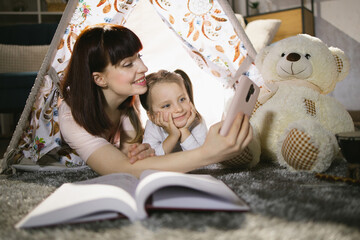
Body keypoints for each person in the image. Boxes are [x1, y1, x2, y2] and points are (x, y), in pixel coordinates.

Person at [59, 23, 253, 177]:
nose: (143, 67)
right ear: (99, 79)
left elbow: (131, 161)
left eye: (139, 57)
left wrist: (141, 155)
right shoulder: (72, 117)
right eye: (128, 64)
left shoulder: (129, 102)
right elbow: (123, 169)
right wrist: (209, 153)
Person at [139, 69, 207, 155]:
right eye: (167, 105)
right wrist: (173, 135)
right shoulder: (152, 127)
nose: (179, 109)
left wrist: (184, 131)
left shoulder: (196, 122)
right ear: (152, 116)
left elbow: (203, 159)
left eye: (182, 99)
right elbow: (152, 159)